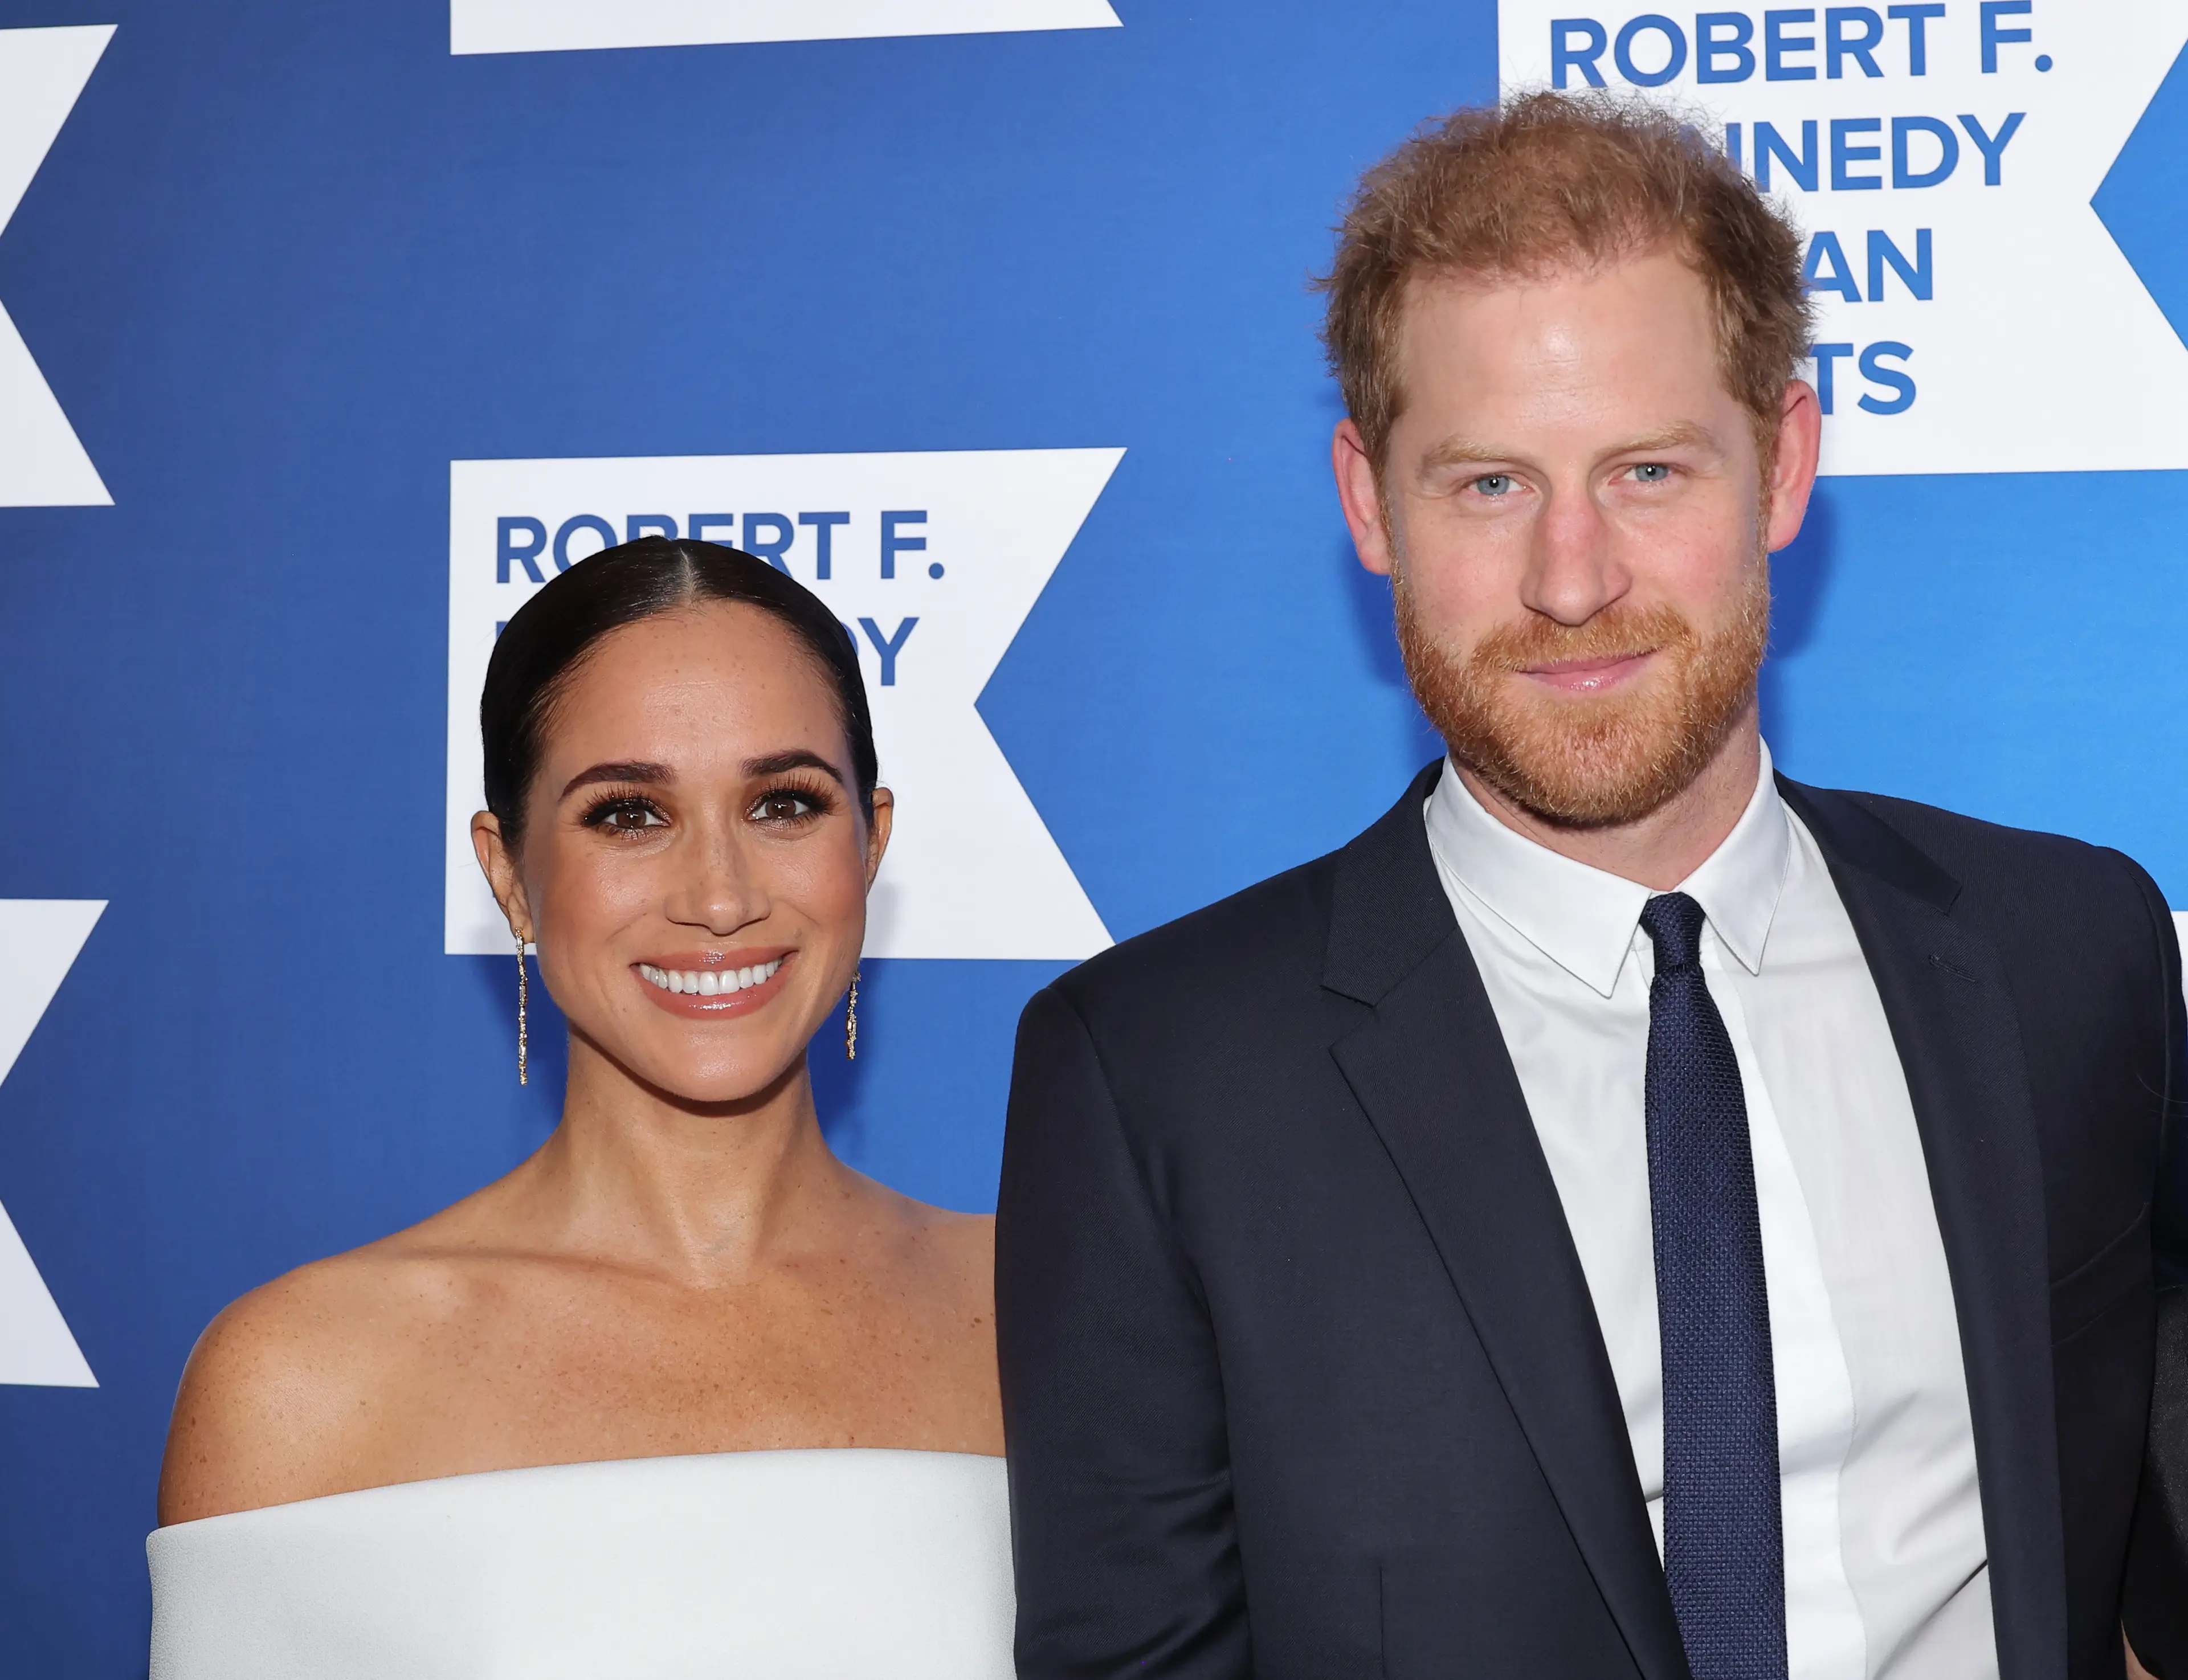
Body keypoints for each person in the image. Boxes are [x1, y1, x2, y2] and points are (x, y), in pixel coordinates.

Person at [997, 93, 2186, 1680]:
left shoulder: (2071, 949)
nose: (1573, 578)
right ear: (1370, 503)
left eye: (1645, 470)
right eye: (1488, 484)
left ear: (1783, 464)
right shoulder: (1154, 1075)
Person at [149, 539, 1010, 1678]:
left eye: (784, 802)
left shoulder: (1050, 1311)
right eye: (628, 815)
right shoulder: (303, 1380)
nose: (720, 896)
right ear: (508, 874)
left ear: (871, 842)